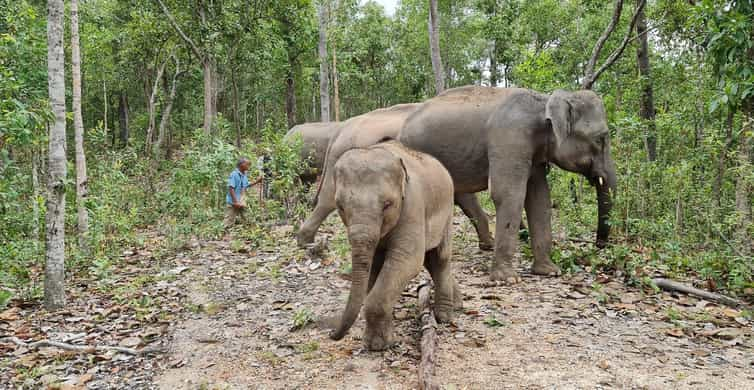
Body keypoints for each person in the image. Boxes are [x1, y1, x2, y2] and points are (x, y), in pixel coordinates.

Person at [224, 157, 261, 228]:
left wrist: (257, 181)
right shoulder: (234, 174)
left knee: (247, 217)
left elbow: (246, 185)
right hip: (233, 202)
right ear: (241, 164)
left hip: (241, 200)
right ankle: (224, 235)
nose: (249, 166)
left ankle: (250, 231)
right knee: (229, 220)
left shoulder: (244, 175)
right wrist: (235, 202)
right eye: (247, 164)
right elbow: (231, 188)